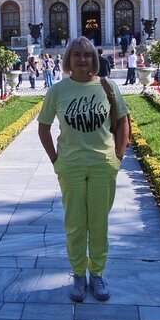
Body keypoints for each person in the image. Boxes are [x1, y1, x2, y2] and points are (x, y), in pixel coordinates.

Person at [38, 37, 130, 303]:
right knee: (75, 225)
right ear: (68, 59)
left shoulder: (108, 87)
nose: (82, 59)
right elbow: (43, 127)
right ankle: (79, 274)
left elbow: (123, 121)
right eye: (76, 54)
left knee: (99, 224)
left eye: (87, 55)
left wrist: (119, 155)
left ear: (94, 59)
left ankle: (97, 274)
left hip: (103, 165)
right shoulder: (58, 91)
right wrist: (56, 160)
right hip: (71, 167)